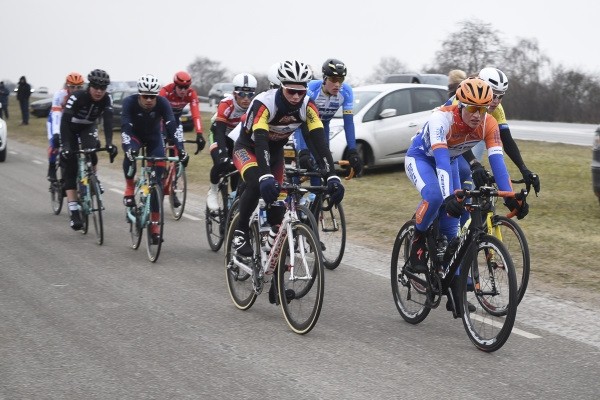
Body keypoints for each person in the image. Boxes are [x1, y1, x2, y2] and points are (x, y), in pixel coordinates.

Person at [404, 77, 528, 312]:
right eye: (471, 108)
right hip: (421, 158)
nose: (477, 115)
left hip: (448, 161)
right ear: (460, 104)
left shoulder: (488, 123)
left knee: (454, 230)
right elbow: (440, 161)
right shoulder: (441, 118)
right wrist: (449, 195)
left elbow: (498, 162)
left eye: (482, 109)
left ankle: (454, 290)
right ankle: (417, 242)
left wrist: (510, 197)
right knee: (436, 197)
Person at [231, 60, 345, 302]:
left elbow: (319, 143)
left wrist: (331, 175)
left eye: (300, 91)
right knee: (255, 183)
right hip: (248, 149)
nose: (295, 96)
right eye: (290, 91)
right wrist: (265, 177)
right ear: (281, 87)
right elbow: (260, 140)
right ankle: (240, 231)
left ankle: (276, 283)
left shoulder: (307, 106)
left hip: (276, 154)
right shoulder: (264, 103)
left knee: (279, 219)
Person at [121, 74, 188, 244]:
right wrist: (128, 148)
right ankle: (129, 188)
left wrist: (180, 149)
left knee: (156, 183)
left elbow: (171, 125)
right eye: (145, 96)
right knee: (130, 155)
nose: (149, 100)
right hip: (135, 137)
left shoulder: (163, 103)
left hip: (153, 138)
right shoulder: (129, 102)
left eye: (152, 97)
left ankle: (155, 227)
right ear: (139, 94)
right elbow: (126, 128)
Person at [60, 69, 118, 230]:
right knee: (70, 168)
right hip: (70, 128)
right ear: (89, 86)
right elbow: (64, 122)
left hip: (87, 127)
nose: (99, 91)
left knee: (92, 149)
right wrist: (65, 145)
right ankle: (73, 211)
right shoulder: (77, 97)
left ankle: (94, 177)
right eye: (96, 87)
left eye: (103, 88)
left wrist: (110, 143)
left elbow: (108, 122)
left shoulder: (107, 99)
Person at [293, 58, 363, 178]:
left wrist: (352, 151)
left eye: (341, 80)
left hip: (322, 127)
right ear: (324, 78)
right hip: (302, 126)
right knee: (303, 161)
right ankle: (293, 192)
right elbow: (301, 121)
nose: (337, 84)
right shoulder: (311, 89)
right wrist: (303, 150)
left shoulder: (346, 92)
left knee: (324, 164)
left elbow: (349, 123)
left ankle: (317, 195)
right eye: (334, 79)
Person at [205, 73, 257, 210]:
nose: (246, 99)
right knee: (221, 162)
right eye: (242, 95)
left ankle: (235, 201)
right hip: (220, 133)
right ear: (234, 93)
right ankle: (213, 191)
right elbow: (220, 132)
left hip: (240, 137)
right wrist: (223, 153)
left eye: (250, 95)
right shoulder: (226, 104)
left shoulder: (256, 105)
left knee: (240, 168)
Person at [158, 71, 206, 207]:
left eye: (186, 87)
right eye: (180, 87)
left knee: (180, 155)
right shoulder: (165, 92)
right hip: (161, 122)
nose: (184, 91)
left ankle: (173, 190)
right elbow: (157, 112)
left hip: (176, 123)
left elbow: (196, 114)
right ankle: (159, 179)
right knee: (160, 153)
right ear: (175, 85)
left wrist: (199, 133)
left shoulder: (191, 94)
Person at [46, 72, 85, 181]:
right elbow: (56, 115)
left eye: (79, 87)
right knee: (55, 144)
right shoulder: (60, 95)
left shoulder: (84, 96)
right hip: (55, 121)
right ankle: (52, 168)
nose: (75, 89)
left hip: (71, 122)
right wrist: (56, 133)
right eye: (72, 86)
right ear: (67, 86)